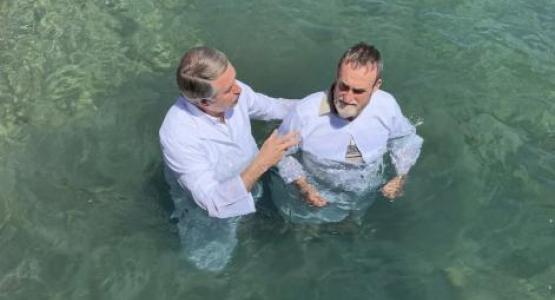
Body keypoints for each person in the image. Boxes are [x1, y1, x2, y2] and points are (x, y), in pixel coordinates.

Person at [159, 47, 298, 271]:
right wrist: (263, 161)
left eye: (234, 79)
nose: (239, 90)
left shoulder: (234, 89)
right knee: (211, 265)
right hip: (208, 215)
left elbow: (274, 107)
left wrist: (323, 104)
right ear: (204, 102)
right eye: (228, 89)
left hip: (254, 181)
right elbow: (212, 202)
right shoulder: (177, 134)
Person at [273, 42, 423, 224]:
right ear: (337, 76)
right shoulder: (305, 113)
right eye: (343, 86)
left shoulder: (387, 106)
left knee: (354, 231)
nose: (347, 97)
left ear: (377, 86)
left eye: (358, 91)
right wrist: (303, 186)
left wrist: (401, 176)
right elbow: (278, 154)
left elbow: (405, 139)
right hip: (317, 198)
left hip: (366, 195)